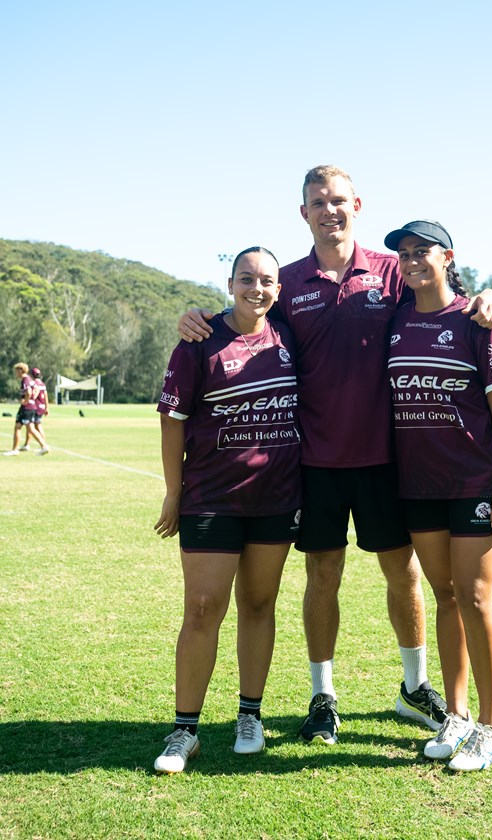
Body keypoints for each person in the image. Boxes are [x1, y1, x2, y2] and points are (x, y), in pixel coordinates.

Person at [177, 166, 492, 746]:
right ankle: (322, 696)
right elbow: (245, 319)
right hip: (314, 459)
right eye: (317, 202)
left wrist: (489, 297)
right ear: (303, 213)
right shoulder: (287, 281)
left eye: (338, 200)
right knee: (321, 572)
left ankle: (414, 687)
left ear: (358, 205)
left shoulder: (391, 270)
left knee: (400, 570)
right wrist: (197, 319)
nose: (329, 210)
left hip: (388, 459)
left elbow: (442, 299)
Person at [153, 247, 302, 773]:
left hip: (277, 497)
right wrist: (174, 492)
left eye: (266, 281)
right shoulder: (198, 341)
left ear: (279, 290)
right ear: (230, 282)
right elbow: (173, 420)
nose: (255, 289)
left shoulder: (291, 336)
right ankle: (184, 730)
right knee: (201, 608)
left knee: (259, 605)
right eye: (246, 279)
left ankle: (250, 715)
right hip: (212, 498)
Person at [384, 219, 492, 771]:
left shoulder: (475, 321)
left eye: (423, 251)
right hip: (418, 486)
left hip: (473, 484)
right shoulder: (394, 319)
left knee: (476, 597)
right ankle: (457, 714)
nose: (412, 260)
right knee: (444, 595)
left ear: (448, 257)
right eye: (405, 254)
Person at [3, 363, 49, 456]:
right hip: (32, 407)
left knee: (18, 427)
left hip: (26, 408)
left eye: (16, 371)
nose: (16, 373)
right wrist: (32, 399)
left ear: (21, 370)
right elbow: (36, 390)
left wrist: (26, 400)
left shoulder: (25, 379)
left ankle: (15, 450)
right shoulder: (31, 380)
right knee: (31, 428)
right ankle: (44, 447)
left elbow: (28, 391)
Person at [20, 367, 49, 452]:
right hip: (42, 407)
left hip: (35, 406)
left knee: (33, 426)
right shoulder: (42, 384)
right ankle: (29, 444)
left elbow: (34, 394)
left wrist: (27, 400)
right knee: (34, 426)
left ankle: (41, 445)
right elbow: (46, 396)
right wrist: (46, 407)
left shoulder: (33, 383)